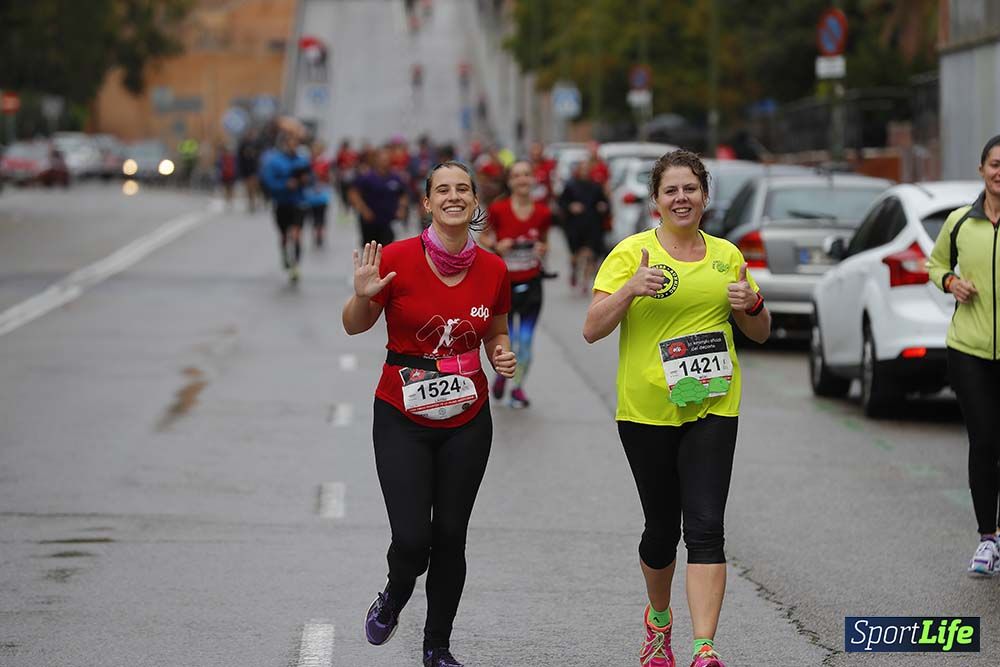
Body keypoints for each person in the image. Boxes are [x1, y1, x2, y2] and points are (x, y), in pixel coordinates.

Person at [582, 150, 770, 667]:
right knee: (662, 531)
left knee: (707, 526)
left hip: (713, 404)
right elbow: (592, 327)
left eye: (691, 189)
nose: (681, 198)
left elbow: (759, 330)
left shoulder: (728, 255)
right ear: (656, 202)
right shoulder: (631, 254)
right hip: (646, 412)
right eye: (671, 190)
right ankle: (659, 620)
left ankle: (704, 648)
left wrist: (751, 306)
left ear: (705, 197)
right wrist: (629, 290)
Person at [342, 161, 516, 667]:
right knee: (413, 538)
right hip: (402, 413)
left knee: (450, 537)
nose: (454, 197)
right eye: (444, 190)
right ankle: (395, 595)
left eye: (463, 189)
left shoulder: (494, 269)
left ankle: (437, 646)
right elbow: (354, 327)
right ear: (427, 202)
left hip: (467, 417)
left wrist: (501, 354)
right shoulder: (395, 258)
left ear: (475, 202)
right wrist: (361, 296)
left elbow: (496, 332)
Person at [926, 133, 1000, 577]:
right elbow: (935, 265)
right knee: (985, 442)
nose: (999, 172)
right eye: (994, 164)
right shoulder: (959, 223)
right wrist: (951, 283)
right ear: (981, 171)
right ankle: (986, 539)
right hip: (969, 349)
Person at [482, 160, 552, 408]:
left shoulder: (543, 212)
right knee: (507, 340)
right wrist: (496, 246)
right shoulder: (499, 209)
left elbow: (545, 242)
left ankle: (518, 388)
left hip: (532, 285)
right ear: (510, 181)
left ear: (533, 179)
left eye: (526, 175)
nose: (522, 180)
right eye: (517, 176)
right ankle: (502, 374)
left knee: (526, 341)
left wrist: (543, 248)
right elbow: (484, 237)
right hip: (505, 287)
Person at [259, 130, 311, 282]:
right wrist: (285, 185)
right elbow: (269, 182)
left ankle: (295, 266)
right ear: (284, 144)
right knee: (283, 235)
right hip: (282, 203)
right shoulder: (275, 162)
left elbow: (312, 178)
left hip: (299, 202)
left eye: (296, 143)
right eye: (290, 143)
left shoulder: (302, 160)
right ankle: (284, 254)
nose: (293, 146)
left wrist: (306, 180)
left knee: (296, 234)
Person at [559, 159, 609, 292]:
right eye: (583, 168)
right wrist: (571, 206)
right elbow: (562, 203)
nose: (585, 171)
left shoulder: (596, 186)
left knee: (589, 254)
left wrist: (603, 206)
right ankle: (574, 270)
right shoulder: (570, 186)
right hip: (575, 225)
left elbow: (605, 202)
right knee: (575, 254)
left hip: (592, 224)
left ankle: (585, 282)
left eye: (587, 168)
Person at [348, 146, 408, 246]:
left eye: (387, 158)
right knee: (371, 249)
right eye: (382, 159)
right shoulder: (367, 177)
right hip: (370, 221)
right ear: (376, 160)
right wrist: (363, 210)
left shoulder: (395, 177)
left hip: (388, 221)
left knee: (387, 248)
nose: (385, 161)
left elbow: (403, 194)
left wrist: (402, 208)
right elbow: (353, 193)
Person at [237, 130, 262, 213]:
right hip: (246, 169)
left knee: (254, 186)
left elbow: (260, 155)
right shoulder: (243, 145)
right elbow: (239, 157)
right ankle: (251, 202)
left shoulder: (256, 144)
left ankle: (254, 201)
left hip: (254, 168)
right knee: (248, 187)